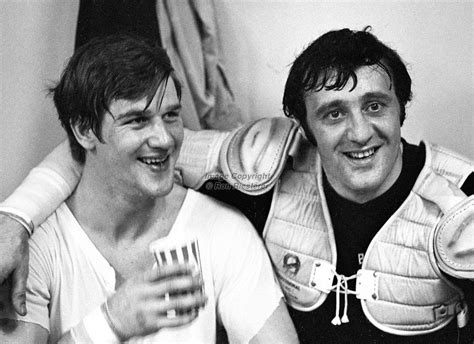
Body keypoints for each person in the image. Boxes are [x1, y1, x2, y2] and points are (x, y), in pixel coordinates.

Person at [0, 27, 473, 343]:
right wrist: (18, 215)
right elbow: (104, 153)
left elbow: (120, 143)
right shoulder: (258, 169)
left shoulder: (463, 197)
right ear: (304, 127)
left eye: (375, 105)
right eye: (333, 113)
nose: (360, 132)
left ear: (401, 107)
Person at [0, 34, 298, 343]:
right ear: (84, 130)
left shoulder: (221, 230)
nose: (165, 139)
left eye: (170, 116)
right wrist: (112, 323)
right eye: (138, 120)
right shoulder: (31, 248)